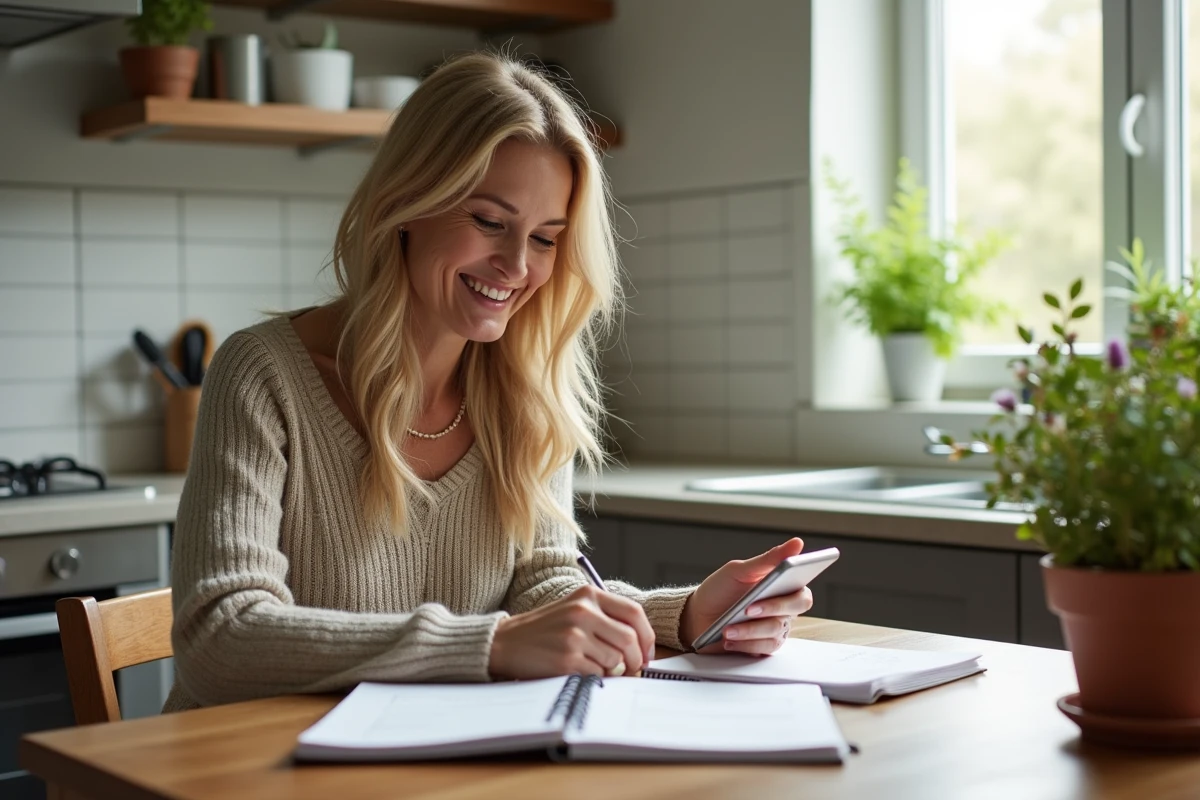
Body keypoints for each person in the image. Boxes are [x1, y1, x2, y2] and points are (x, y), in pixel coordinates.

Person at [164, 51, 813, 711]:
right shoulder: (264, 375)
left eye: (545, 239)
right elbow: (219, 639)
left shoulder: (525, 387)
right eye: (489, 221)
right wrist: (491, 644)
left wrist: (687, 614)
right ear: (407, 202)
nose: (515, 267)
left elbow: (544, 588)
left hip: (422, 760)